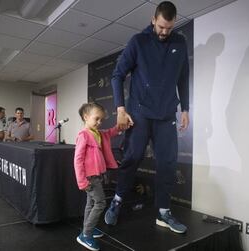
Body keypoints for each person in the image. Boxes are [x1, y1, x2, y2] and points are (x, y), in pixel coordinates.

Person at [104, 1, 190, 234]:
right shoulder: (138, 42)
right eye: (161, 26)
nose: (164, 32)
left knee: (168, 163)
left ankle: (163, 212)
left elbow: (183, 78)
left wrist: (185, 109)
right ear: (153, 20)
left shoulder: (179, 42)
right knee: (132, 156)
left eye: (169, 28)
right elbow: (117, 76)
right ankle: (118, 200)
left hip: (166, 115)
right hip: (140, 113)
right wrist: (120, 108)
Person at [74, 103, 121, 251]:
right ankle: (85, 235)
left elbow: (111, 132)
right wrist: (82, 181)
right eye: (97, 119)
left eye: (101, 119)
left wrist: (121, 125)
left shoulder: (98, 133)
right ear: (86, 117)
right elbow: (78, 159)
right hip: (89, 177)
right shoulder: (84, 135)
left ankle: (89, 228)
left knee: (91, 203)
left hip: (97, 175)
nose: (100, 122)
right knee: (100, 203)